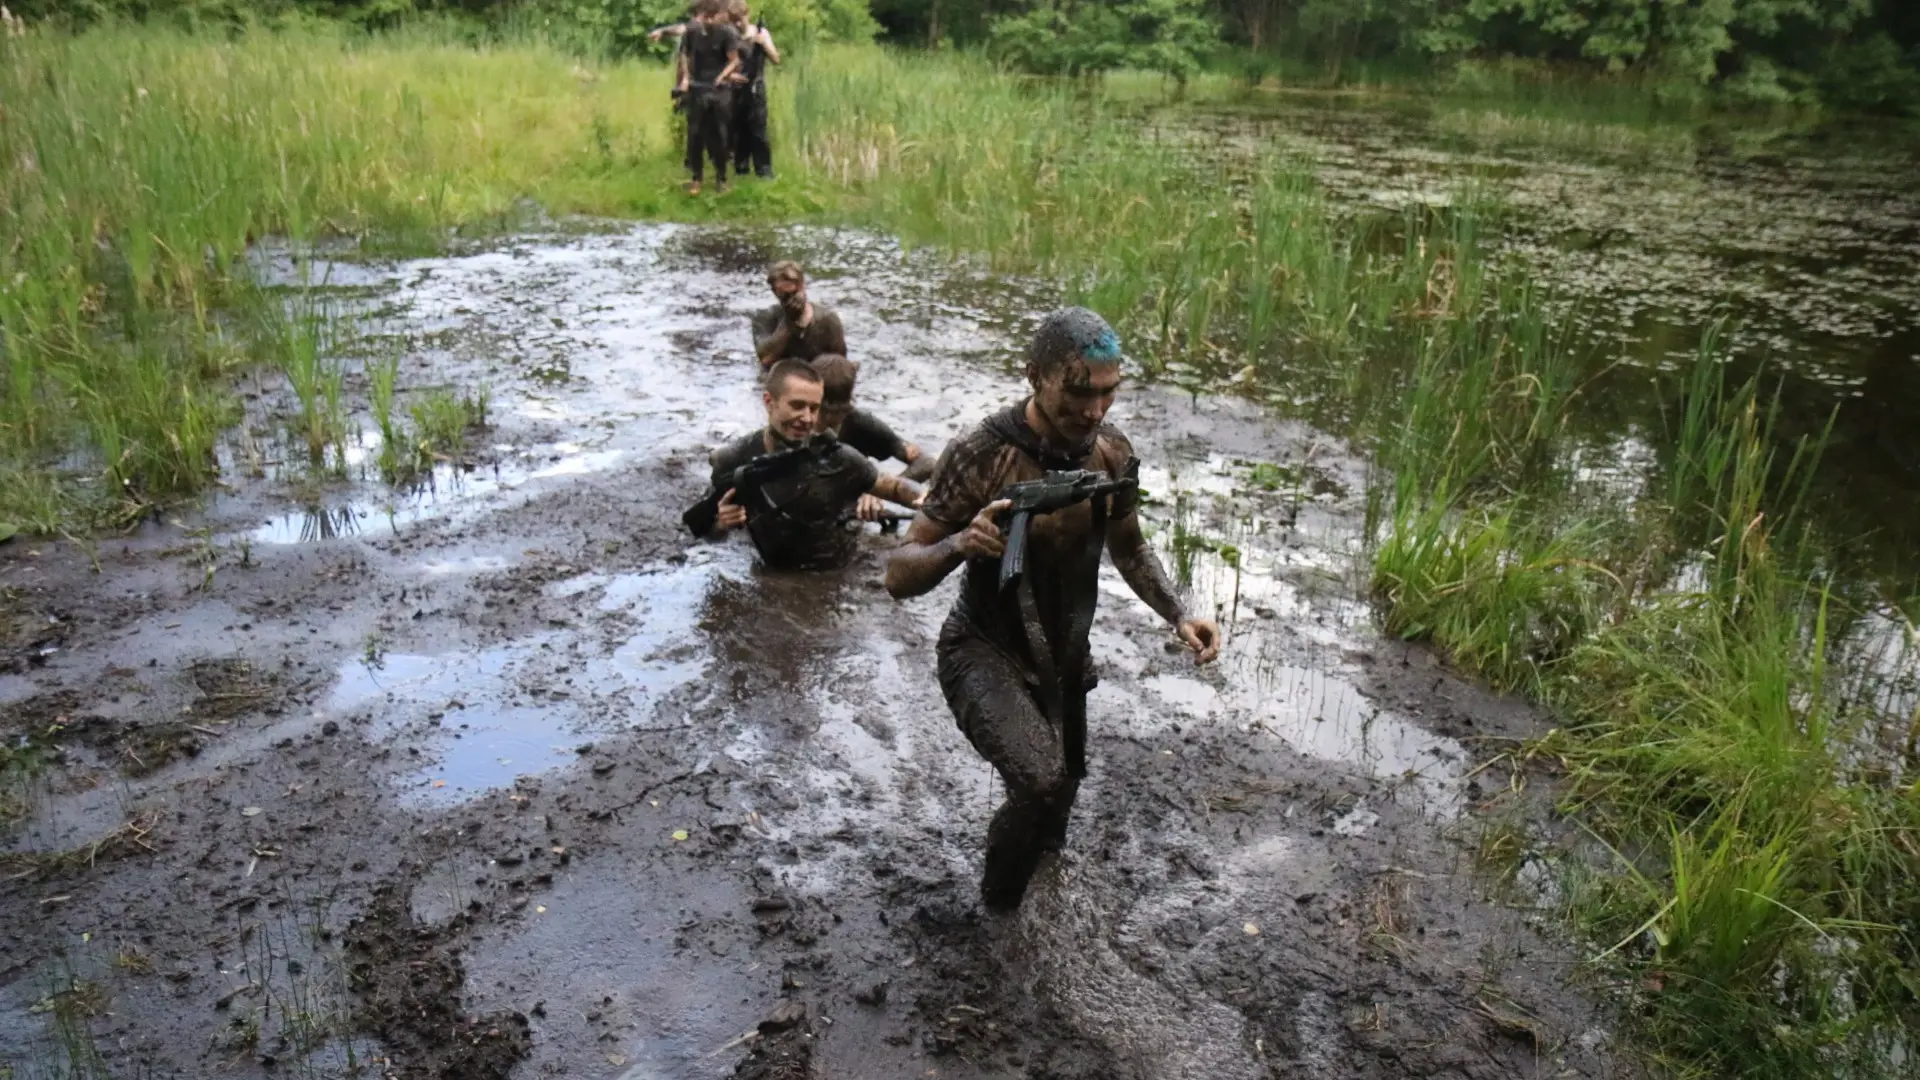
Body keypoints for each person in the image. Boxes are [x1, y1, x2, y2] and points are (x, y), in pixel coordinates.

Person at [883, 307, 1221, 912]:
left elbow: (1130, 545)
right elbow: (897, 573)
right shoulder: (982, 453)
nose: (1093, 411)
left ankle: (1043, 912)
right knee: (1039, 783)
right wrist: (961, 543)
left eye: (1108, 393)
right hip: (983, 648)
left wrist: (1178, 612)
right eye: (1077, 392)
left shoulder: (1112, 453)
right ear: (1035, 376)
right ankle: (999, 918)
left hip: (1064, 658)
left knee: (1058, 803)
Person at [702, 360, 924, 571]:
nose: (807, 418)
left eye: (814, 408)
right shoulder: (733, 459)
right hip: (770, 570)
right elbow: (703, 535)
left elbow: (896, 488)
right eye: (797, 406)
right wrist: (721, 524)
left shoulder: (840, 458)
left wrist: (938, 504)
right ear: (769, 402)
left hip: (838, 570)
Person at [809, 354, 936, 487]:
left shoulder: (860, 423)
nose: (828, 418)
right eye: (820, 410)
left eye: (838, 412)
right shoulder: (793, 423)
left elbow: (926, 463)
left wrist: (880, 488)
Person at [674, 0, 742, 196]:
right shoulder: (693, 31)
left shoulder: (727, 33)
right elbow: (684, 55)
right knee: (695, 134)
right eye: (706, 16)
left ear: (719, 15)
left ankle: (721, 179)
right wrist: (686, 78)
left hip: (720, 90)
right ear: (702, 14)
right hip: (698, 88)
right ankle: (696, 178)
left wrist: (722, 76)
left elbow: (734, 59)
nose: (709, 21)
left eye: (713, 17)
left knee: (720, 135)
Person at [751, 261, 847, 369]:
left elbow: (840, 363)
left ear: (802, 285)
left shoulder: (828, 318)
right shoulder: (764, 318)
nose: (791, 299)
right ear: (774, 291)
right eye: (785, 295)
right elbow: (765, 359)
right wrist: (789, 321)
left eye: (793, 292)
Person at [728, 2, 779, 178]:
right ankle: (741, 169)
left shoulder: (761, 33)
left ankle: (764, 171)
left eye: (739, 20)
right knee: (738, 131)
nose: (736, 24)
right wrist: (731, 76)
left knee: (758, 131)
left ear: (746, 15)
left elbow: (776, 58)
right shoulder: (729, 36)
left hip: (756, 88)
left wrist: (763, 44)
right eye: (733, 21)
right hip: (735, 89)